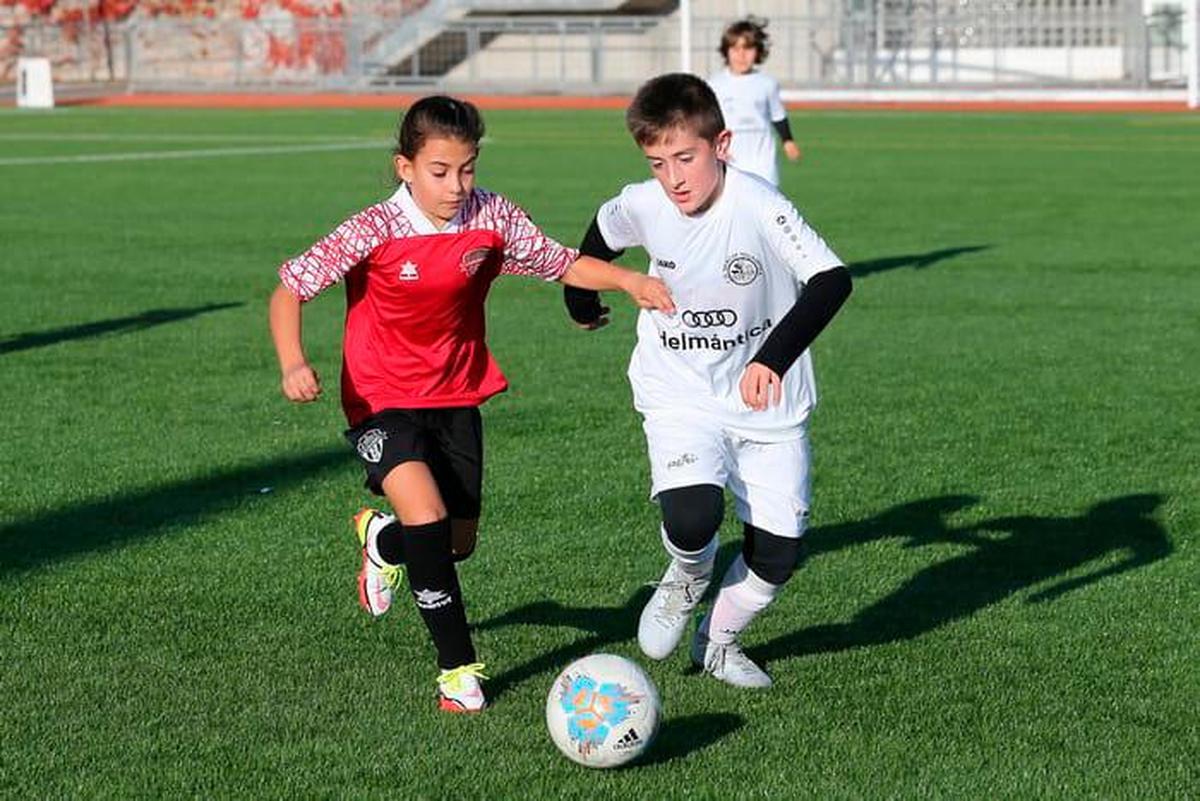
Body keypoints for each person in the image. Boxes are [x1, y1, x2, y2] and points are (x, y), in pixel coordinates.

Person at [268, 95, 673, 713]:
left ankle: (384, 544)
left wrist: (629, 279)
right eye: (440, 171)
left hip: (456, 392)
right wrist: (294, 361)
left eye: (468, 169)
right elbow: (290, 288)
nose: (457, 185)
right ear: (406, 167)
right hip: (380, 396)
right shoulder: (374, 228)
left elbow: (560, 261)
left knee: (454, 544)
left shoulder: (491, 217)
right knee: (427, 517)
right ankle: (458, 670)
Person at [562, 74, 852, 688]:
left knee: (775, 557)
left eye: (686, 158)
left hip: (767, 402)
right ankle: (688, 573)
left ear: (722, 144)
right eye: (658, 162)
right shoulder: (642, 203)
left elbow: (831, 281)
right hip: (679, 389)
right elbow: (592, 246)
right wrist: (580, 303)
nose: (674, 178)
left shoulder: (760, 204)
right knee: (695, 518)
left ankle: (717, 643)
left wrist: (770, 359)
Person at [706, 17, 800, 187]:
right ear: (726, 51)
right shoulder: (714, 85)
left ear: (758, 51)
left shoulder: (767, 84)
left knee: (765, 207)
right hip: (730, 160)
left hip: (762, 160)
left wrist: (788, 141)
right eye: (735, 48)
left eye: (748, 48)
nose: (741, 55)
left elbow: (778, 115)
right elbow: (706, 122)